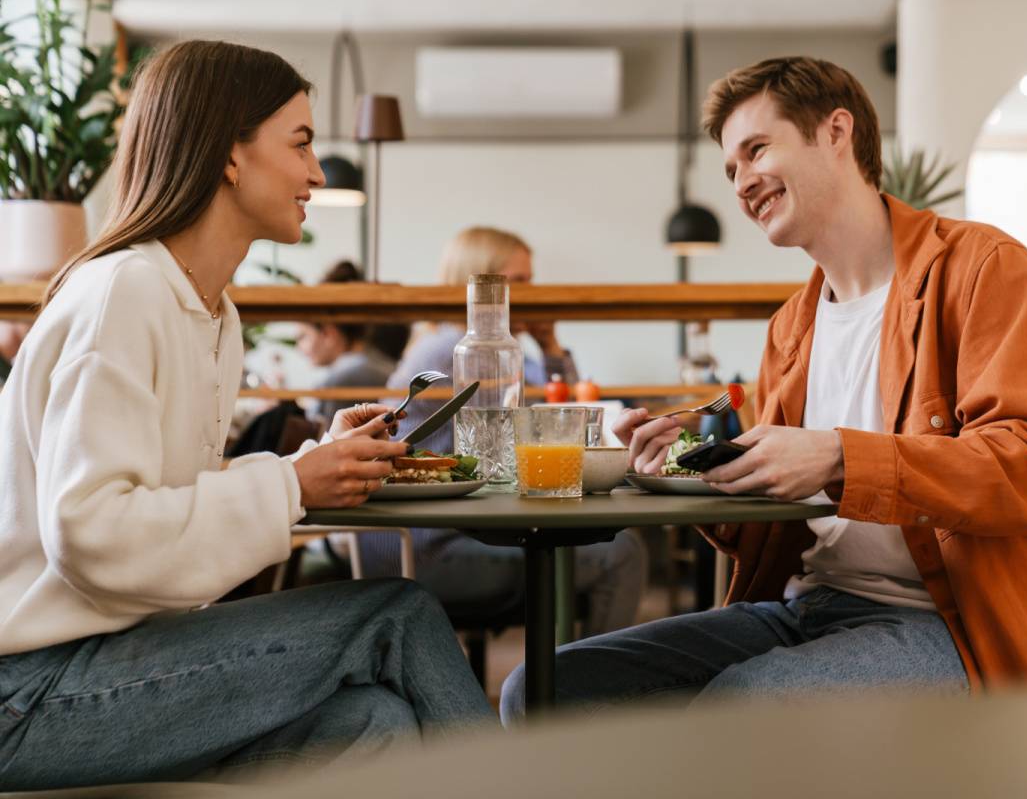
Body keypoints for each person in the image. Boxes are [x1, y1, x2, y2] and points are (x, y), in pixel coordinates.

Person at [501, 56, 1027, 722]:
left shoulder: (982, 270)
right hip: (813, 605)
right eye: (731, 168)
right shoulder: (792, 327)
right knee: (543, 691)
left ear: (836, 132)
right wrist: (699, 458)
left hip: (958, 626)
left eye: (757, 149)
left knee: (745, 709)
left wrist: (838, 456)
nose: (741, 182)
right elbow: (769, 526)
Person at [0, 41, 492, 790]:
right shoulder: (123, 294)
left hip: (108, 657)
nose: (317, 173)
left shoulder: (213, 315)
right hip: (28, 692)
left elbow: (165, 493)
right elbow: (93, 532)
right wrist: (293, 488)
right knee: (398, 612)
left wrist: (309, 466)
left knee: (373, 724)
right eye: (300, 144)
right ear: (230, 154)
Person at [361, 227, 646, 637]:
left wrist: (547, 341)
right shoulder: (462, 350)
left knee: (600, 546)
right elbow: (553, 421)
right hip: (425, 548)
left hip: (427, 534)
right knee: (621, 554)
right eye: (521, 282)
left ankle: (575, 676)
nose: (533, 292)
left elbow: (561, 413)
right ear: (486, 286)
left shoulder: (451, 342)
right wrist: (550, 348)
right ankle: (589, 689)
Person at [296, 260, 408, 427]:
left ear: (328, 333)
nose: (300, 348)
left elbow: (324, 443)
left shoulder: (346, 377)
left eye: (303, 337)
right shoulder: (375, 365)